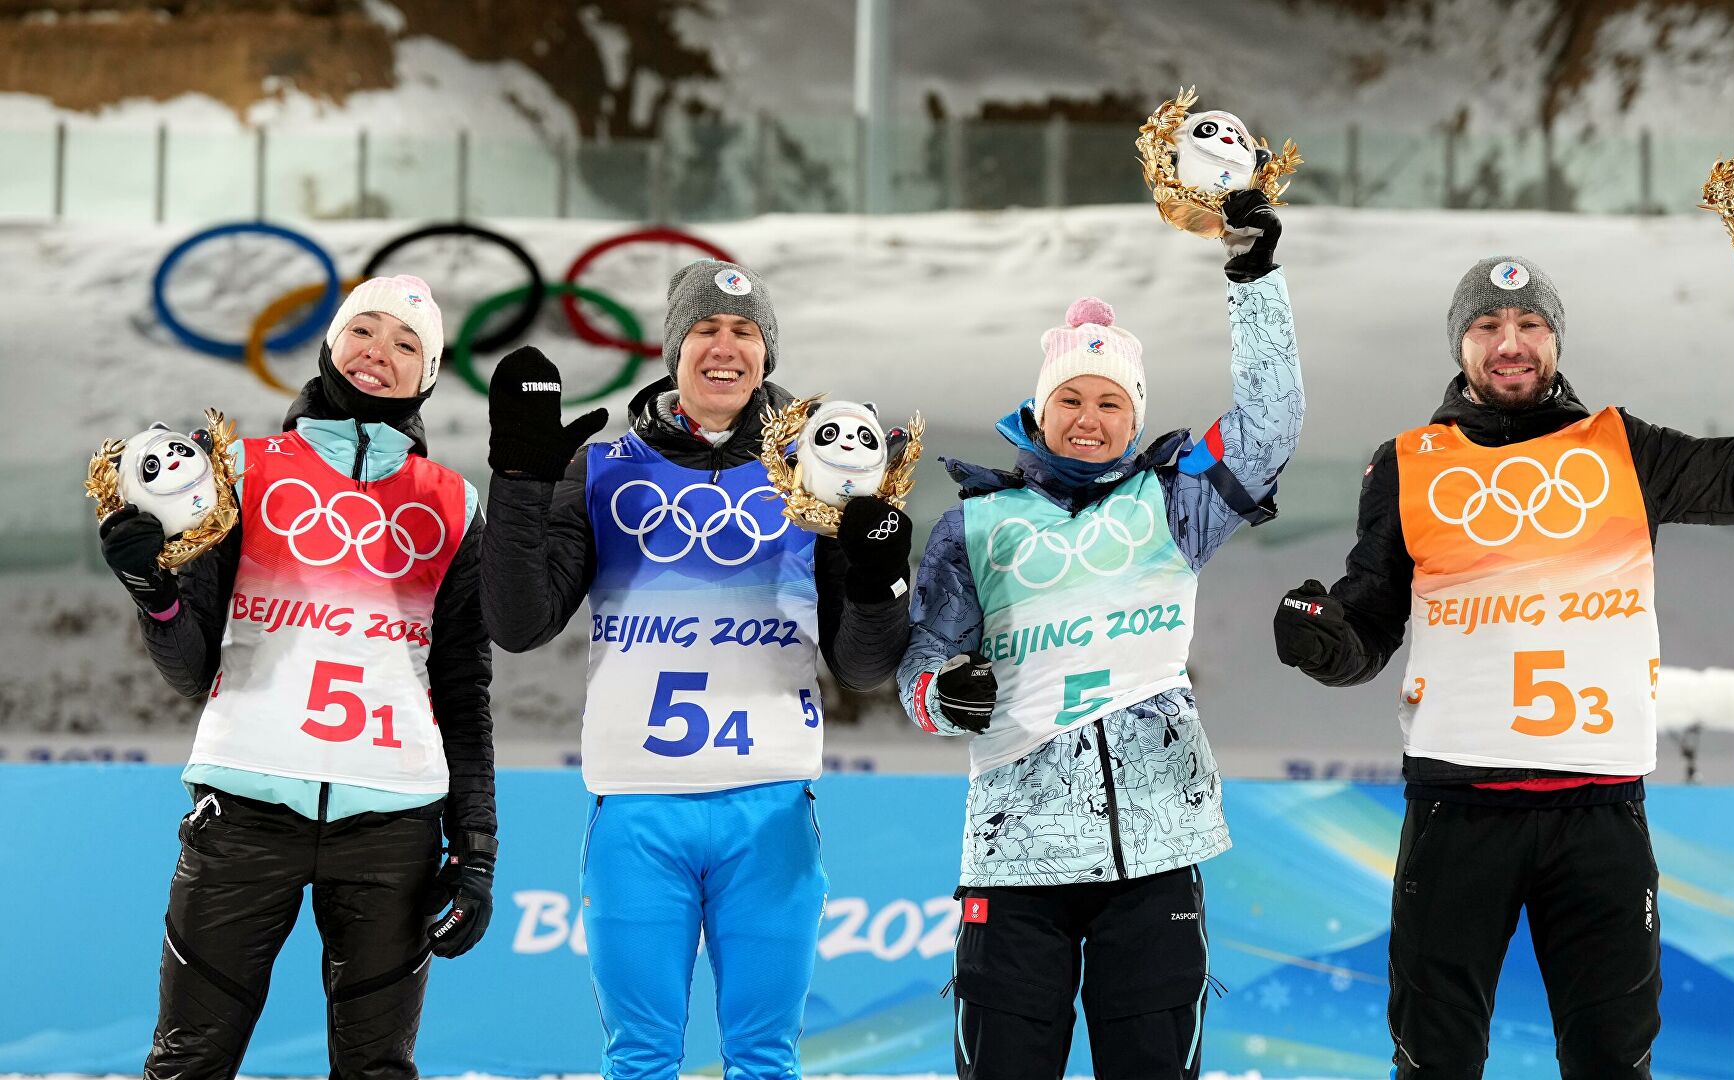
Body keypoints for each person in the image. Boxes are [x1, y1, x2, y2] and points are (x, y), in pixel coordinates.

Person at [1271, 225, 1734, 1078]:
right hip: (1457, 808)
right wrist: (1324, 638)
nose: (1510, 343)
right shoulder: (1407, 464)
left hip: (1600, 812)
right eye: (1486, 326)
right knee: (1433, 1062)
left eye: (1530, 324)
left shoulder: (1625, 450)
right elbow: (1368, 626)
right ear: (1460, 346)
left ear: (1555, 339)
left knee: (1613, 1063)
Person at [895, 190, 1304, 1079]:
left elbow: (1270, 427)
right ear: (1039, 413)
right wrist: (938, 695)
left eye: (1111, 402)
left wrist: (1253, 277)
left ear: (1135, 414)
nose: (1089, 417)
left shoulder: (1175, 499)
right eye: (1070, 399)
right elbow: (919, 666)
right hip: (1014, 855)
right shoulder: (976, 523)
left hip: (1155, 850)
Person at [479, 259, 914, 1080]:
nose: (726, 347)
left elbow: (860, 667)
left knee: (763, 1057)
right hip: (639, 807)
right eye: (705, 330)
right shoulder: (603, 466)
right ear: (674, 349)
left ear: (767, 355)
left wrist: (876, 580)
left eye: (745, 332)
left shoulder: (817, 473)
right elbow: (518, 621)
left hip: (770, 807)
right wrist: (520, 483)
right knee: (640, 1058)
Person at [97, 275, 498, 1080]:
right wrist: (155, 595)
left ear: (427, 373)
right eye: (365, 330)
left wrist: (478, 849)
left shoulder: (454, 503)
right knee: (188, 1064)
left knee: (376, 1069)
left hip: (395, 827)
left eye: (406, 343)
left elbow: (463, 690)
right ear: (330, 343)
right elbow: (189, 665)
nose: (379, 352)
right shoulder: (238, 471)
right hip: (244, 813)